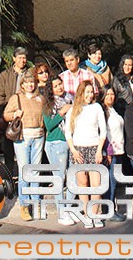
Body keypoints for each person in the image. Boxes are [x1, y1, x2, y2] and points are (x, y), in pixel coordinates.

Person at [4, 68, 45, 222]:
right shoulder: (16, 98)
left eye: (32, 82)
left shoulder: (40, 98)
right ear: (22, 84)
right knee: (24, 171)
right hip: (22, 137)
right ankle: (24, 205)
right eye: (26, 82)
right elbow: (6, 115)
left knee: (35, 171)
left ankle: (36, 203)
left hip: (38, 136)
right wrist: (14, 114)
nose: (30, 85)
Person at [65, 80, 107, 227]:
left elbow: (103, 130)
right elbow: (68, 133)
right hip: (79, 150)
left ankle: (95, 213)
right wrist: (73, 150)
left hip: (94, 148)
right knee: (83, 183)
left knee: (96, 184)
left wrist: (99, 150)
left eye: (91, 92)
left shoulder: (97, 108)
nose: (89, 95)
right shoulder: (73, 110)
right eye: (87, 92)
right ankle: (87, 214)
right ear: (81, 93)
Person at [43, 75, 75, 226]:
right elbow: (49, 125)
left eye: (60, 84)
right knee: (59, 178)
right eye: (55, 86)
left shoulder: (70, 99)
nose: (59, 87)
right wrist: (61, 112)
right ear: (51, 89)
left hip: (71, 141)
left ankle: (68, 208)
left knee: (73, 176)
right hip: (56, 143)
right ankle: (62, 213)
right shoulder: (48, 104)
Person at [0, 46, 29, 177]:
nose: (22, 60)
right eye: (19, 58)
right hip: (9, 114)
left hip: (25, 114)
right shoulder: (5, 75)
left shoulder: (30, 73)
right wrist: (1, 115)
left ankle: (25, 176)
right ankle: (9, 177)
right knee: (8, 148)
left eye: (24, 58)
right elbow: (0, 96)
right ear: (14, 59)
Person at [101, 86, 126, 220]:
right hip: (110, 151)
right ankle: (108, 211)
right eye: (107, 94)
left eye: (112, 94)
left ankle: (110, 209)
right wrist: (107, 152)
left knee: (114, 181)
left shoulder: (113, 110)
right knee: (111, 182)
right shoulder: (102, 111)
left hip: (119, 150)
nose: (110, 97)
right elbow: (103, 133)